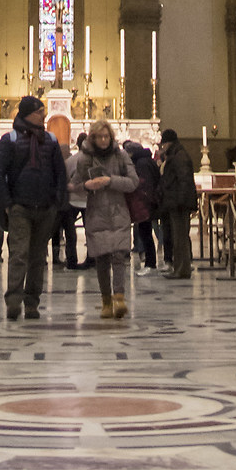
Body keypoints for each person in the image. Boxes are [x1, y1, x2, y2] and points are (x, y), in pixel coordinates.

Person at [0, 93, 69, 321]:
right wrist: (7, 203)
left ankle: (32, 302)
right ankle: (14, 301)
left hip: (45, 206)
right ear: (27, 114)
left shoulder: (50, 140)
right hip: (20, 206)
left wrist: (57, 201)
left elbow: (59, 172)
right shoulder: (10, 140)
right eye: (39, 112)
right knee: (19, 254)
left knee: (38, 257)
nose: (43, 116)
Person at [69, 118, 138, 320]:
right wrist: (86, 186)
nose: (103, 140)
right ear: (93, 138)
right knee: (102, 258)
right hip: (96, 213)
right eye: (99, 137)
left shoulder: (120, 155)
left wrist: (110, 181)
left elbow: (133, 182)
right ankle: (106, 300)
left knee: (119, 256)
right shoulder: (84, 159)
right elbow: (73, 185)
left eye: (106, 136)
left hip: (118, 211)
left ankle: (119, 297)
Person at [157, 126, 198, 279]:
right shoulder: (176, 154)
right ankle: (179, 268)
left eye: (163, 144)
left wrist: (181, 201)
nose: (162, 147)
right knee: (177, 237)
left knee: (180, 238)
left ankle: (181, 269)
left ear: (168, 143)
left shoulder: (179, 156)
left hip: (179, 203)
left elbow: (184, 180)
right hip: (176, 202)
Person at [123, 138, 160, 270]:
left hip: (145, 203)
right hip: (148, 202)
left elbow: (144, 184)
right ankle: (150, 262)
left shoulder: (141, 163)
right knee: (145, 232)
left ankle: (150, 263)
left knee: (146, 233)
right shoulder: (147, 160)